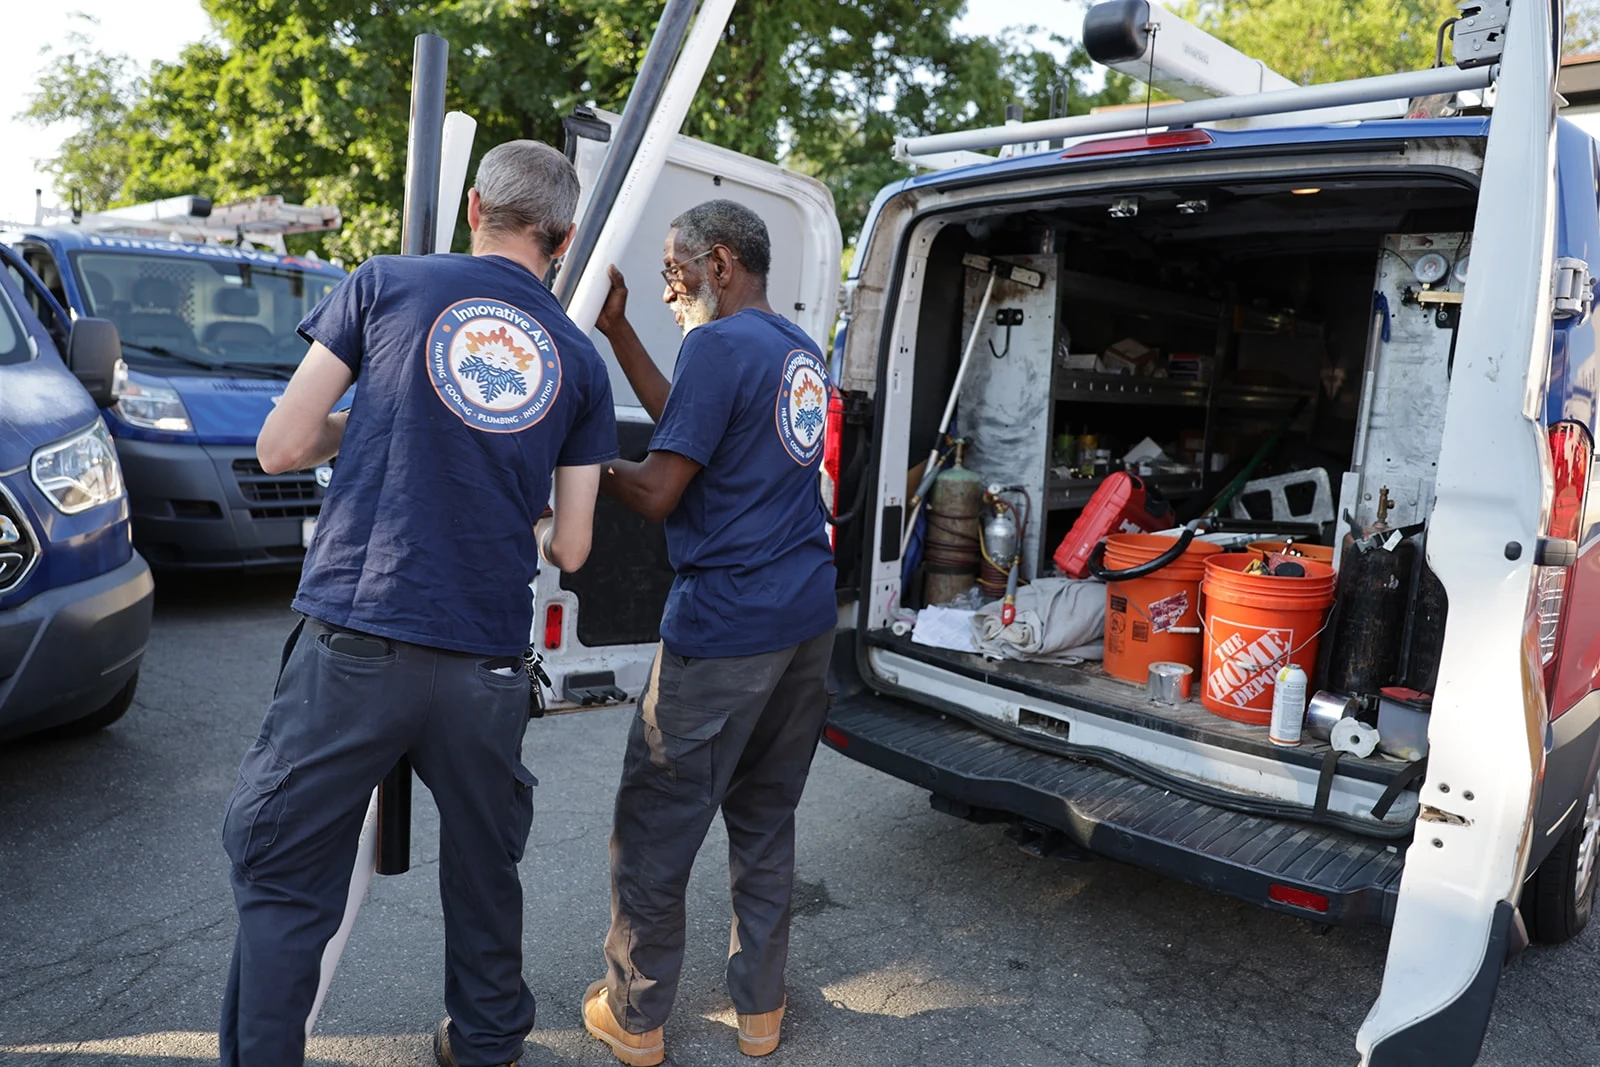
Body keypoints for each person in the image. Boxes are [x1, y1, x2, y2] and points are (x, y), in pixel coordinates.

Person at [218, 140, 618, 1067]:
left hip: (359, 636)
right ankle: (485, 1041)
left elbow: (281, 447)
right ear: (561, 240)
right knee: (485, 866)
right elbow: (573, 547)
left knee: (287, 875)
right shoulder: (577, 356)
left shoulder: (385, 283)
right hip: (485, 659)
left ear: (475, 206)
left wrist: (369, 425)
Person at [579, 199, 837, 1066]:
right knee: (765, 818)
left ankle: (635, 1016)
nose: (669, 286)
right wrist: (618, 332)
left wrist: (583, 464)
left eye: (676, 269)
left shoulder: (718, 345)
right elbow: (693, 423)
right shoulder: (797, 351)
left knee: (654, 825)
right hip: (804, 621)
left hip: (725, 626)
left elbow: (660, 490)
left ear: (720, 263)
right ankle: (760, 1011)